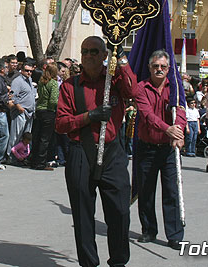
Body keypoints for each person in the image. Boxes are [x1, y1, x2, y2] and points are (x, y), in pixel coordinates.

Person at [55, 36, 136, 267]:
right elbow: (60, 123)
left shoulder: (113, 80)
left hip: (112, 152)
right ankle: (89, 263)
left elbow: (132, 90)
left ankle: (119, 260)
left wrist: (120, 55)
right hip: (81, 152)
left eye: (94, 51)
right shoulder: (70, 86)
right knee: (82, 215)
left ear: (103, 56)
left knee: (120, 211)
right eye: (84, 51)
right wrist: (89, 116)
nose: (88, 55)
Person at [134, 49, 186, 250]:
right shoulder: (141, 88)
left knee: (172, 191)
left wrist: (178, 132)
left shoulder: (175, 88)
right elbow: (146, 115)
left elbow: (180, 111)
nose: (159, 69)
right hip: (147, 147)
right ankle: (149, 229)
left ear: (168, 68)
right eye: (155, 66)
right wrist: (168, 129)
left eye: (163, 66)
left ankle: (174, 235)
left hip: (169, 150)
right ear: (149, 67)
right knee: (146, 191)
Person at [30, 63, 59, 170]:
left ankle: (33, 160)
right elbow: (53, 100)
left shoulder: (41, 82)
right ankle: (41, 162)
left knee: (37, 136)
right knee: (45, 138)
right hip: (49, 111)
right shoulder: (53, 83)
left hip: (40, 110)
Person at [7, 60, 36, 157]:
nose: (29, 73)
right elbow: (12, 96)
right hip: (21, 112)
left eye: (31, 71)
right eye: (27, 70)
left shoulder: (30, 80)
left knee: (26, 137)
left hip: (29, 112)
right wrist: (19, 106)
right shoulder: (17, 81)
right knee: (16, 135)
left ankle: (22, 156)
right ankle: (10, 155)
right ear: (22, 70)